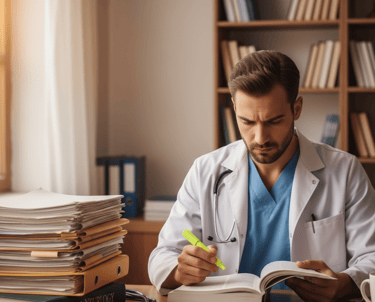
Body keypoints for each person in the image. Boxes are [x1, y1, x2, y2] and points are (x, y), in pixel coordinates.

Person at [148, 50, 375, 301]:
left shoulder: (345, 171)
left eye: (273, 121)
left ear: (296, 108)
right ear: (234, 108)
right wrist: (180, 270)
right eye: (247, 122)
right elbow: (162, 256)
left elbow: (372, 256)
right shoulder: (205, 171)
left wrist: (343, 283)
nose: (260, 138)